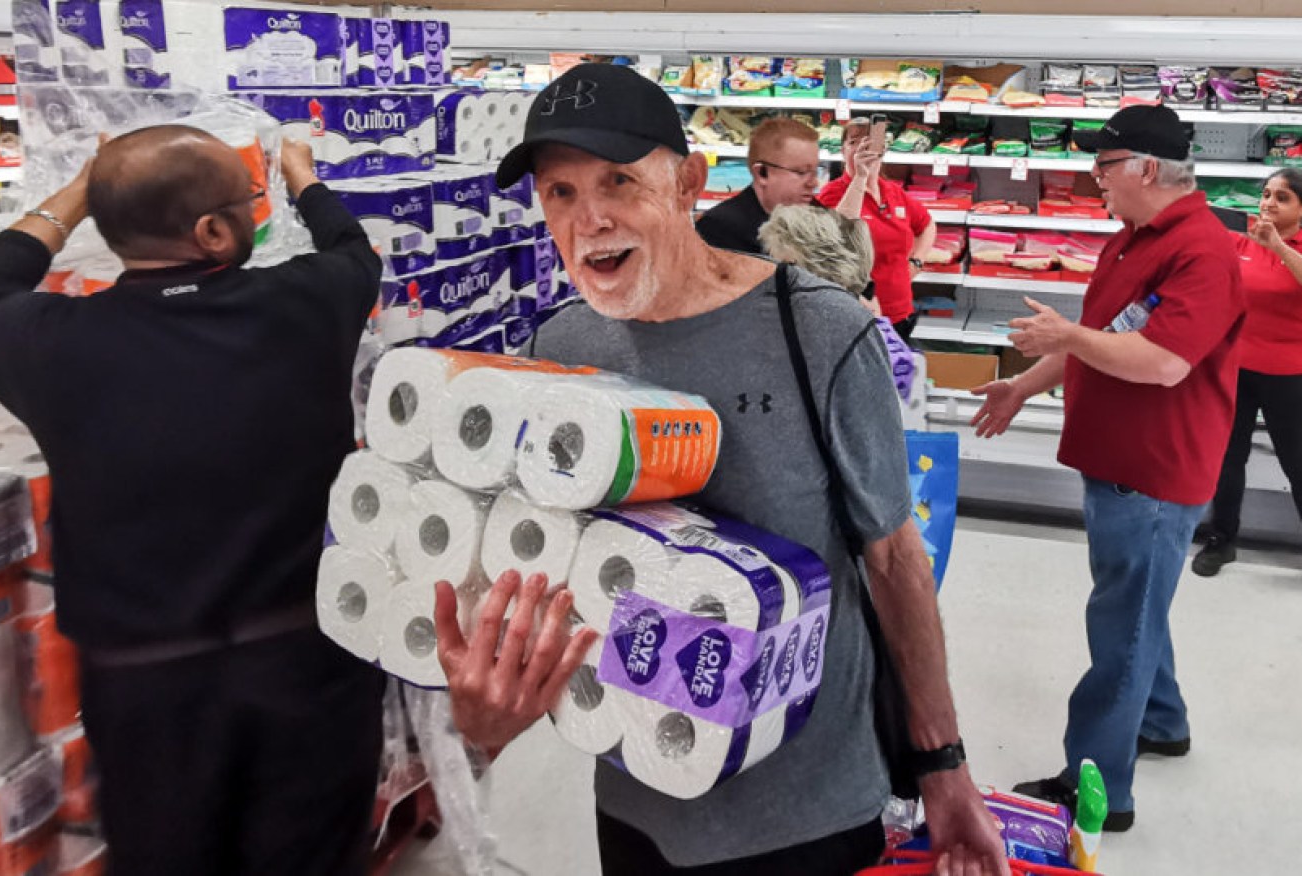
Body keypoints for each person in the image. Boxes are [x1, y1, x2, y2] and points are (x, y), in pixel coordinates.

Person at [432, 62, 1010, 876]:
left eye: (618, 181)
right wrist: (486, 713)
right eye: (558, 193)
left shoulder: (818, 334)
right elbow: (551, 567)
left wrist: (942, 762)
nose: (588, 218)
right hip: (634, 785)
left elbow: (893, 559)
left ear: (689, 185)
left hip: (805, 804)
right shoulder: (559, 351)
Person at [0, 128, 385, 875]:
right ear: (212, 230)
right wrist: (301, 175)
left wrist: (83, 194)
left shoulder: (51, 342)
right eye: (244, 202)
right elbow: (355, 251)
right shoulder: (305, 303)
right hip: (307, 664)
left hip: (145, 692)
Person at [968, 105, 1245, 832]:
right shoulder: (1132, 239)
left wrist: (1065, 335)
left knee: (1119, 630)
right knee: (1136, 606)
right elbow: (1102, 338)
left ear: (1146, 169)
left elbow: (1161, 362)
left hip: (1153, 474)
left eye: (1103, 166)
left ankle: (1098, 790)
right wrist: (1023, 383)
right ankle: (1161, 722)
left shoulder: (1202, 253)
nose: (1094, 180)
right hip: (1118, 466)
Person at [1193, 168, 1302, 576]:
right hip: (1235, 369)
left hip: (1290, 376)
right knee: (1226, 458)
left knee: (1297, 463)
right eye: (1266, 194)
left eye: (1283, 197)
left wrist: (1278, 246)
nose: (1270, 202)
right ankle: (1222, 539)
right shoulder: (1239, 241)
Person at [817, 117, 936, 340]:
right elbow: (838, 234)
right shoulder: (833, 193)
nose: (862, 148)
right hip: (857, 315)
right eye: (853, 142)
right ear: (842, 151)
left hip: (901, 311)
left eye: (869, 142)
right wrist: (860, 177)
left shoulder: (893, 191)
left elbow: (927, 224)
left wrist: (917, 261)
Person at [694, 116, 821, 255]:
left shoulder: (818, 216)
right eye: (801, 172)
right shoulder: (718, 230)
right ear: (762, 173)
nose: (813, 183)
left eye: (815, 171)